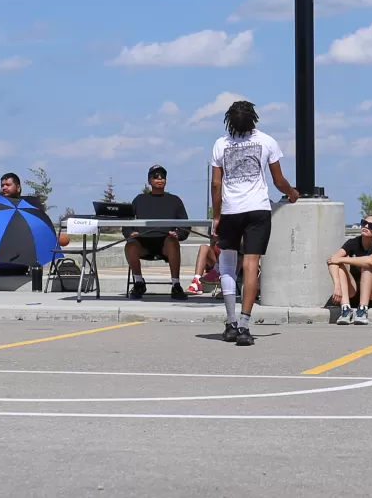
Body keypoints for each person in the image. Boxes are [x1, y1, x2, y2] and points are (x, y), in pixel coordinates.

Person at [210, 100, 299, 347]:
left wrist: (216, 216)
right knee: (251, 265)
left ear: (229, 120)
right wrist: (292, 193)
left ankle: (230, 323)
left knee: (227, 264)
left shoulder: (221, 144)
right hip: (258, 208)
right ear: (254, 120)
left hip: (231, 210)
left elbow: (216, 185)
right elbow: (278, 180)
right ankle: (245, 326)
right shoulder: (267, 141)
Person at [126, 165, 191, 300]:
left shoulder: (175, 200)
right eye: (155, 176)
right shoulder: (139, 199)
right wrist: (130, 233)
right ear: (149, 181)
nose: (159, 179)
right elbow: (127, 223)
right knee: (130, 245)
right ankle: (139, 282)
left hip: (165, 243)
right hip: (143, 242)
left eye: (162, 176)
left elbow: (185, 225)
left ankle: (176, 285)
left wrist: (178, 234)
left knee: (172, 242)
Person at [327, 213, 372, 325]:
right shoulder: (353, 242)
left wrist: (343, 259)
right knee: (340, 266)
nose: (366, 226)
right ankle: (346, 309)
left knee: (367, 265)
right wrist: (337, 285)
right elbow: (332, 260)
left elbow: (371, 261)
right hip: (355, 292)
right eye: (364, 223)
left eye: (371, 226)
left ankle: (362, 310)